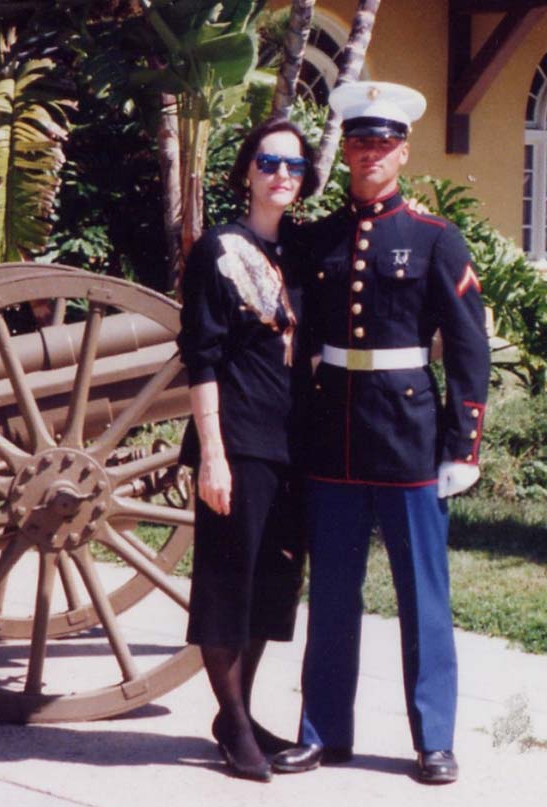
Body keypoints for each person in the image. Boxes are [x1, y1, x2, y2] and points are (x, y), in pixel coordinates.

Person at [271, 81, 490, 785]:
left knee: (423, 597)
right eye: (360, 142)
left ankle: (434, 740)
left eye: (383, 143)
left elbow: (469, 347)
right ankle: (322, 731)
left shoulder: (434, 239)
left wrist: (464, 445)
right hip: (333, 434)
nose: (371, 154)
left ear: (403, 152)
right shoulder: (320, 239)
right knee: (332, 595)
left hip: (409, 438)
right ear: (347, 153)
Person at [176, 118, 318, 783]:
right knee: (228, 585)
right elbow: (200, 357)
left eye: (294, 165)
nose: (281, 175)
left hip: (293, 445)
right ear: (247, 172)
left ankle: (239, 712)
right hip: (238, 442)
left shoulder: (302, 251)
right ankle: (233, 724)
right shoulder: (218, 250)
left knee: (271, 588)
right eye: (269, 163)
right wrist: (212, 454)